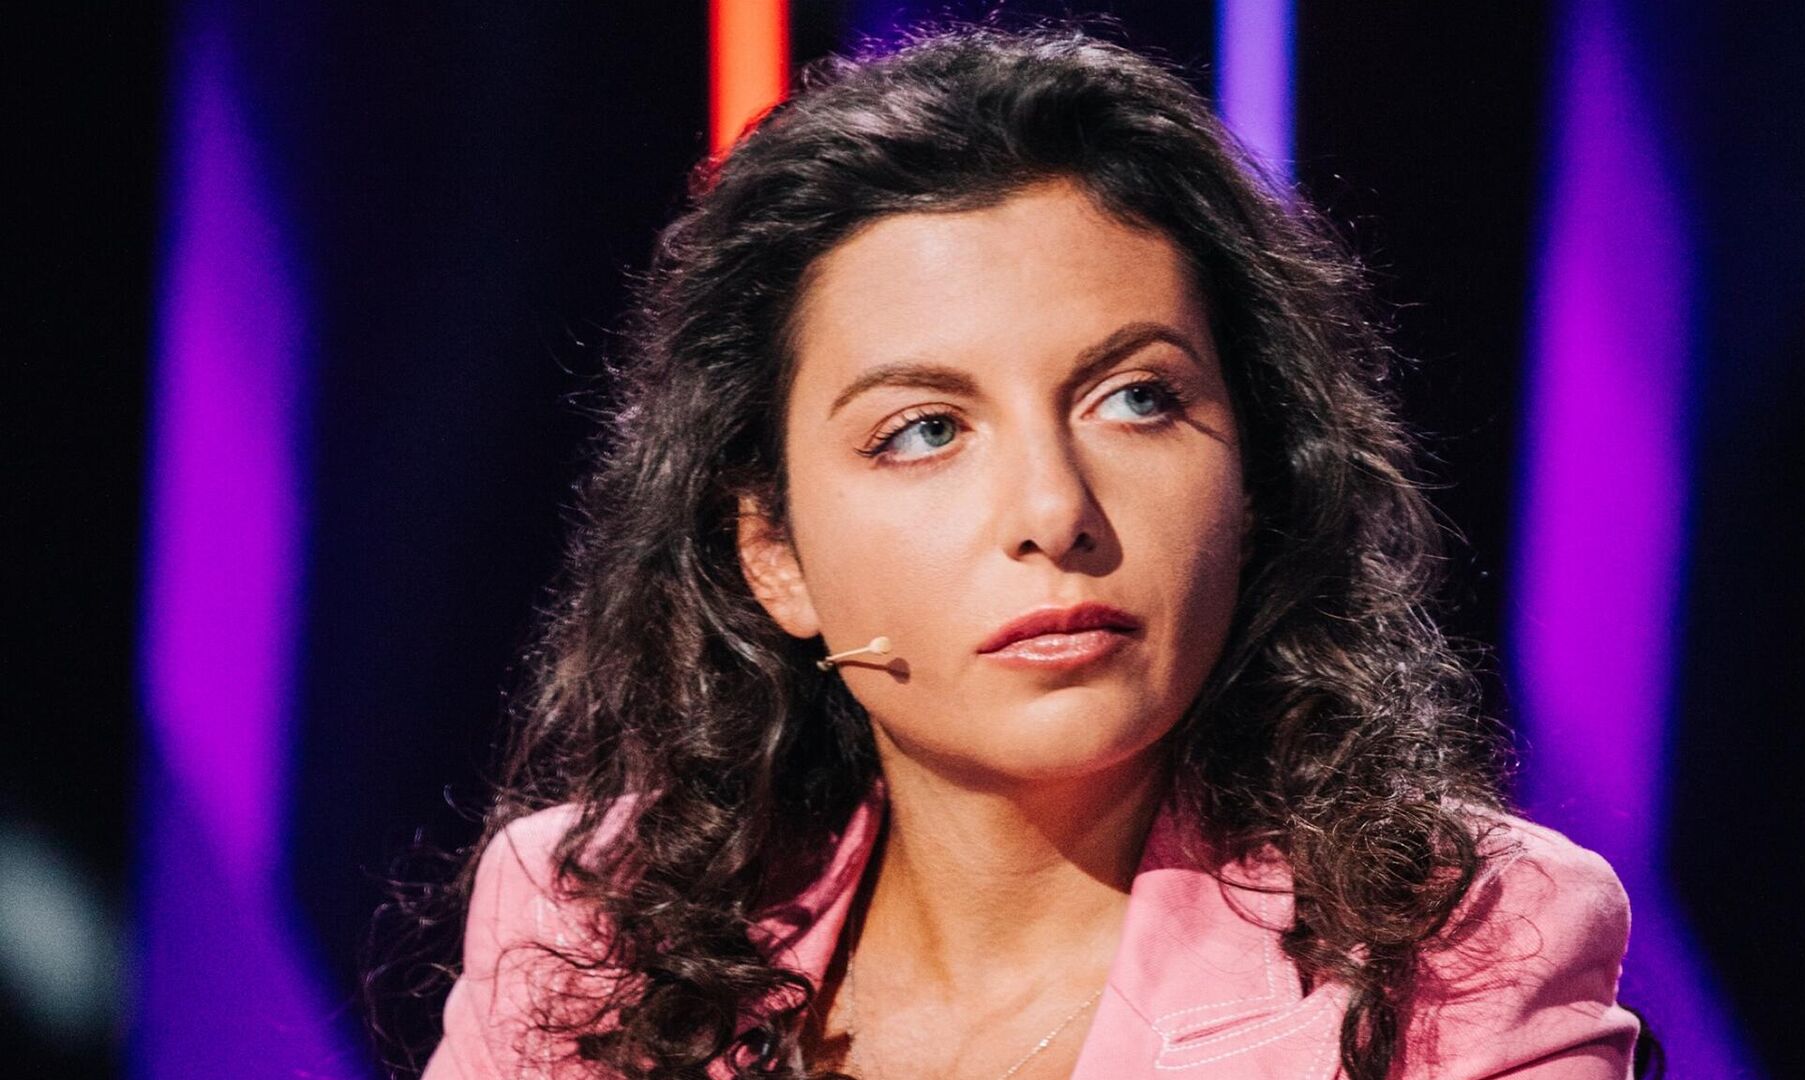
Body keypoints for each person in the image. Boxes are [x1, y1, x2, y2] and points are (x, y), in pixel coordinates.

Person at [416, 21, 1644, 1080]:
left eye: (1137, 399)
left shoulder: (1454, 946)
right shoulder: (589, 926)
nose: (1055, 512)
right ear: (773, 554)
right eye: (925, 430)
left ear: (1260, 476)